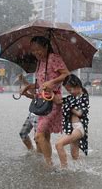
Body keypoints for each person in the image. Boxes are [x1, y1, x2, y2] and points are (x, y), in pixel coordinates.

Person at [20, 36, 70, 166]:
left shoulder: (54, 58)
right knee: (44, 136)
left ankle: (49, 165)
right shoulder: (40, 63)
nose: (36, 53)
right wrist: (28, 87)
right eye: (33, 50)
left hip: (53, 101)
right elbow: (41, 84)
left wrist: (52, 82)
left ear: (46, 47)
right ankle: (48, 162)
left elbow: (66, 74)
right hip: (41, 102)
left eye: (38, 49)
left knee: (38, 136)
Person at [55, 74, 90, 168]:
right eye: (68, 90)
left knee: (59, 144)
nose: (70, 92)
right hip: (72, 128)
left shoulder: (84, 96)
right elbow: (58, 102)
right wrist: (51, 93)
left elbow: (79, 113)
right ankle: (82, 170)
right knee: (75, 156)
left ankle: (63, 168)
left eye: (71, 89)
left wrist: (69, 107)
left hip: (79, 128)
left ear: (77, 86)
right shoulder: (70, 98)